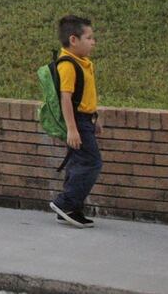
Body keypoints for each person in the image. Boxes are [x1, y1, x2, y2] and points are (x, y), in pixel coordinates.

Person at [50, 14, 101, 228]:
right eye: (89, 38)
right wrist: (72, 128)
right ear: (73, 40)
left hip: (84, 120)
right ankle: (65, 203)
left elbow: (84, 96)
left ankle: (71, 209)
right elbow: (66, 98)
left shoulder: (82, 62)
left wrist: (94, 118)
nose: (93, 42)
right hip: (77, 122)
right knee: (91, 162)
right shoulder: (68, 65)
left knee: (78, 163)